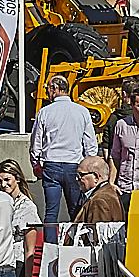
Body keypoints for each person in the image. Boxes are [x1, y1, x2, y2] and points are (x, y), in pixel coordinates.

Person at [33, 74, 99, 225]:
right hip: (74, 165)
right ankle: (76, 244)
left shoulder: (45, 112)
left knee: (51, 212)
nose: (47, 93)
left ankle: (50, 245)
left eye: (48, 89)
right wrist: (90, 163)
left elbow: (36, 141)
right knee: (76, 210)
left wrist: (35, 162)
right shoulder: (82, 111)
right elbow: (90, 142)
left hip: (51, 164)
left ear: (55, 89)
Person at [72, 155, 127, 224]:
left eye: (81, 175)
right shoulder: (107, 192)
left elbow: (96, 232)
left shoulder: (99, 201)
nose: (77, 179)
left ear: (96, 177)